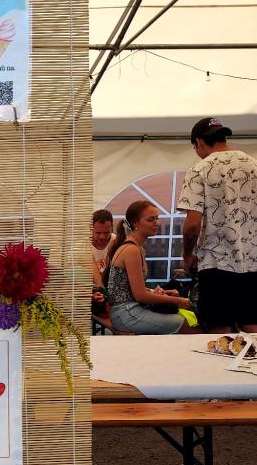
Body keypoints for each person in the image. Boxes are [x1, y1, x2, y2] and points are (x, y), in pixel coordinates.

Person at [177, 118, 257, 334]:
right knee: (252, 327)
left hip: (216, 264)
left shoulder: (199, 170)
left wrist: (187, 255)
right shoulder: (253, 165)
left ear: (198, 142)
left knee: (219, 331)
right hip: (252, 262)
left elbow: (192, 225)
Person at [106, 200, 192, 334]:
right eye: (151, 219)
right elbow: (140, 295)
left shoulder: (136, 247)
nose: (156, 223)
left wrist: (156, 292)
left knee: (188, 319)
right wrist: (179, 301)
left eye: (157, 218)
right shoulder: (131, 250)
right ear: (135, 223)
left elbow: (131, 289)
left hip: (128, 310)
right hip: (126, 313)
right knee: (186, 323)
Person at [91, 208, 115, 286]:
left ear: (112, 228)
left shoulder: (118, 243)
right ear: (91, 229)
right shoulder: (81, 248)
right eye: (98, 233)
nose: (102, 237)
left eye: (106, 233)